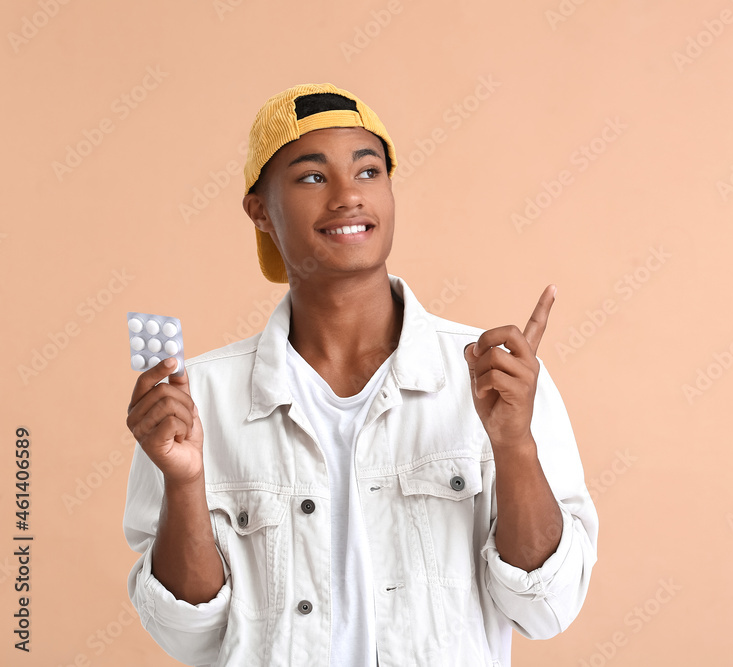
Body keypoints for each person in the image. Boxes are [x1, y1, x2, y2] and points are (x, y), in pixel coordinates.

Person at [122, 82, 598, 666]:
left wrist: (515, 444)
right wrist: (184, 482)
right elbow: (186, 634)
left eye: (369, 171)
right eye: (313, 177)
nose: (348, 196)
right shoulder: (197, 401)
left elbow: (547, 608)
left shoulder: (499, 380)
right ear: (259, 210)